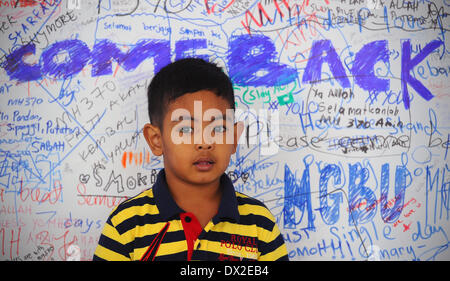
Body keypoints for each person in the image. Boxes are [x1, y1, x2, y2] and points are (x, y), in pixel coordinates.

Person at [93, 58, 288, 261]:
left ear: (234, 138)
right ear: (156, 140)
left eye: (218, 128)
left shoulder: (259, 223)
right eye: (186, 129)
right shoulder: (126, 225)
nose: (204, 142)